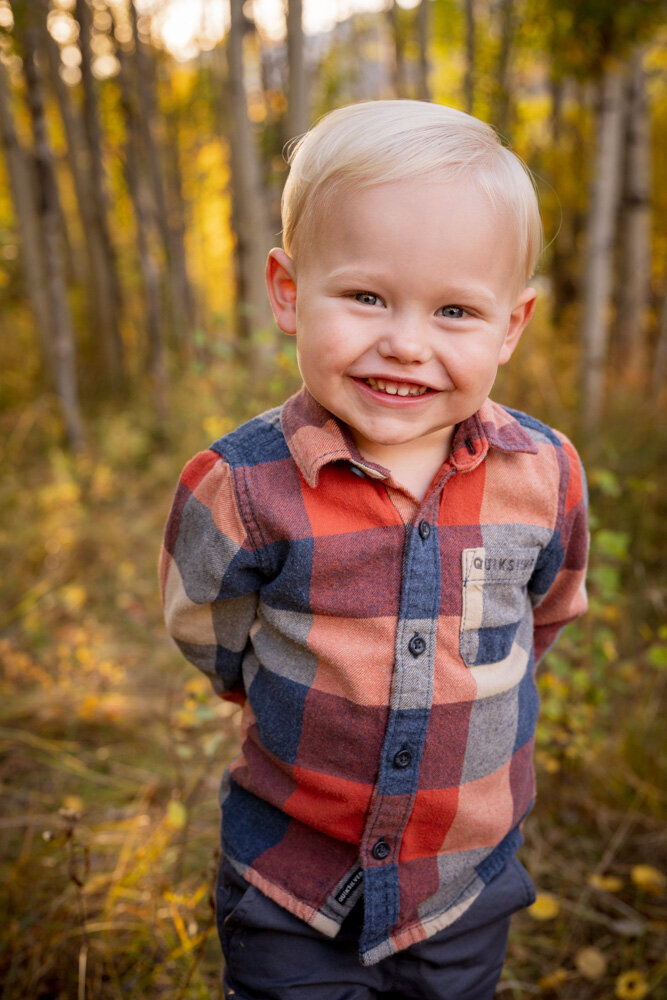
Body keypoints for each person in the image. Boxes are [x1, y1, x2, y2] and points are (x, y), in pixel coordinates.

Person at [159, 100, 589, 1000]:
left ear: (510, 326)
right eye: (365, 296)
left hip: (460, 885)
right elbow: (207, 625)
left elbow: (542, 612)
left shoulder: (542, 475)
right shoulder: (240, 487)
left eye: (455, 311)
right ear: (287, 290)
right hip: (291, 880)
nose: (405, 341)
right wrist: (272, 684)